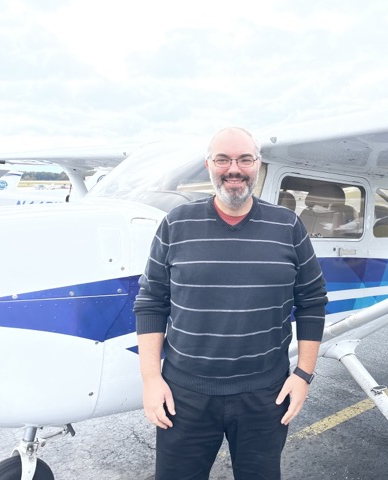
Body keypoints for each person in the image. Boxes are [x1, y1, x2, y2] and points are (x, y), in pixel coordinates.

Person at [134, 126, 327, 480]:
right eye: (223, 159)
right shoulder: (176, 224)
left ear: (258, 165)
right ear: (209, 164)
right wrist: (150, 378)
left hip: (264, 396)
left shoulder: (287, 226)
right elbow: (151, 302)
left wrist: (302, 375)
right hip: (185, 395)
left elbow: (312, 302)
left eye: (244, 159)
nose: (233, 169)